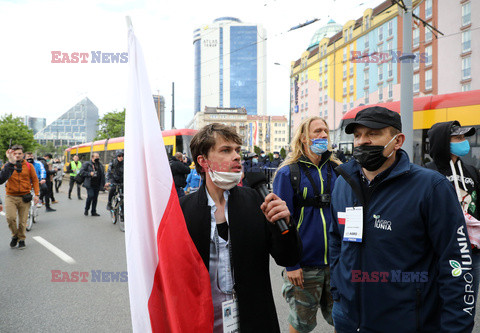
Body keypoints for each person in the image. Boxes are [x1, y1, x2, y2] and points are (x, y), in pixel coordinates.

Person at [329, 106, 474, 332]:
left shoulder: (431, 187)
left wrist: (456, 327)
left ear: (397, 141)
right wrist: (338, 291)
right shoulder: (343, 184)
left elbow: (456, 262)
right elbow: (337, 241)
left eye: (372, 134)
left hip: (405, 321)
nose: (361, 141)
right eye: (357, 135)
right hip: (347, 318)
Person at [180, 123, 302, 332]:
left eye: (237, 150)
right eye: (226, 150)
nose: (236, 156)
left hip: (253, 320)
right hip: (202, 323)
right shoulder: (182, 210)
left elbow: (288, 258)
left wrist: (286, 224)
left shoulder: (257, 201)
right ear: (203, 161)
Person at [273, 116, 339, 333]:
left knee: (345, 320)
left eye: (326, 131)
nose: (323, 135)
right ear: (303, 138)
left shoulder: (338, 170)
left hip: (337, 265)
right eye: (317, 131)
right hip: (304, 267)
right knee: (301, 325)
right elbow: (280, 224)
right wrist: (291, 264)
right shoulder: (287, 173)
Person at [426, 120, 480, 302]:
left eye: (464, 137)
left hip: (472, 252)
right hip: (440, 251)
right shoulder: (427, 172)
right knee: (439, 301)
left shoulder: (472, 171)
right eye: (458, 138)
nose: (464, 141)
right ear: (443, 142)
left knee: (467, 300)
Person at [4, 145, 40, 249]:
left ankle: (22, 239)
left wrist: (37, 194)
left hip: (25, 197)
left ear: (23, 154)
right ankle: (15, 235)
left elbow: (35, 180)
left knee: (23, 221)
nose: (18, 155)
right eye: (15, 154)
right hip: (10, 196)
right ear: (12, 154)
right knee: (10, 218)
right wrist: (10, 163)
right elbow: (3, 177)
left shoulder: (29, 166)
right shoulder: (8, 165)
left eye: (19, 153)